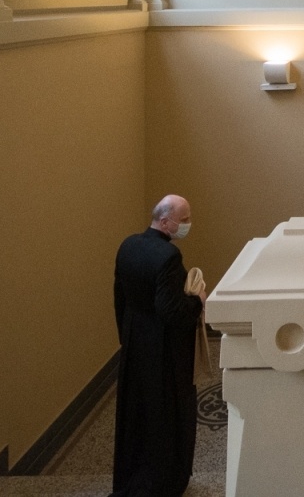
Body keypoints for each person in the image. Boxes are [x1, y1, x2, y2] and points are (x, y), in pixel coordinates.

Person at [110, 195, 204, 497]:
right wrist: (197, 303)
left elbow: (119, 298)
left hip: (135, 342)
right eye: (184, 219)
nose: (188, 224)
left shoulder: (128, 246)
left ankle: (131, 481)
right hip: (164, 350)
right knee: (167, 414)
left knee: (136, 414)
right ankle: (164, 483)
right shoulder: (168, 257)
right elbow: (170, 310)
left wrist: (127, 338)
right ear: (165, 221)